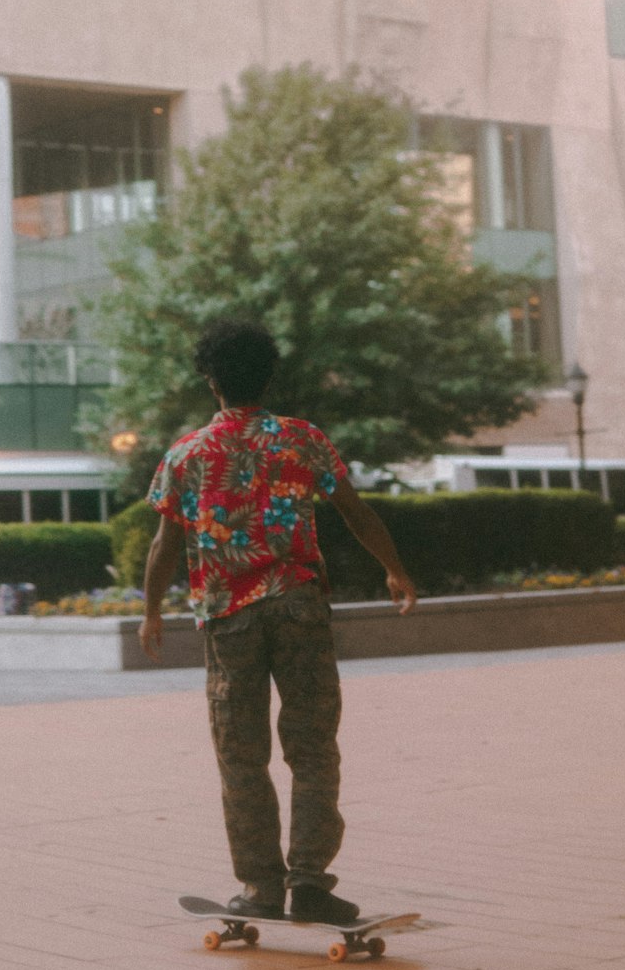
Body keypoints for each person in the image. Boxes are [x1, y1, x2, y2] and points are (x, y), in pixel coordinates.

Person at [140, 319, 417, 926]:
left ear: (210, 380)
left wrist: (153, 608)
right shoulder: (301, 439)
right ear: (268, 375)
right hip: (299, 607)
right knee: (313, 747)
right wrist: (393, 569)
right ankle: (312, 882)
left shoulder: (187, 453)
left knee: (241, 756)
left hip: (227, 617)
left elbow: (165, 543)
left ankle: (261, 888)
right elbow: (353, 509)